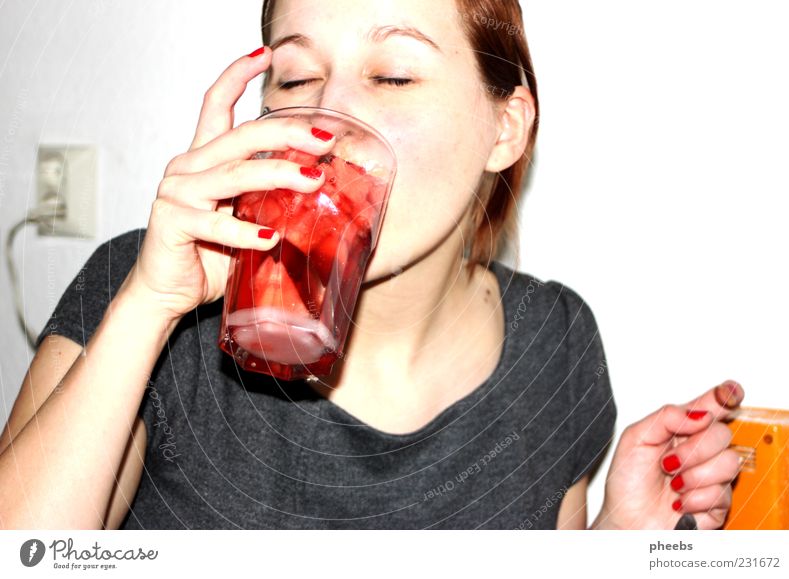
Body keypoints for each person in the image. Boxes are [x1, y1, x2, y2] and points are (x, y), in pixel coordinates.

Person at [0, 0, 743, 530]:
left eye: (391, 75)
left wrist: (620, 544)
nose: (328, 120)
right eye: (293, 79)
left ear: (505, 127)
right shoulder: (148, 295)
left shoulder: (557, 341)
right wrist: (150, 304)